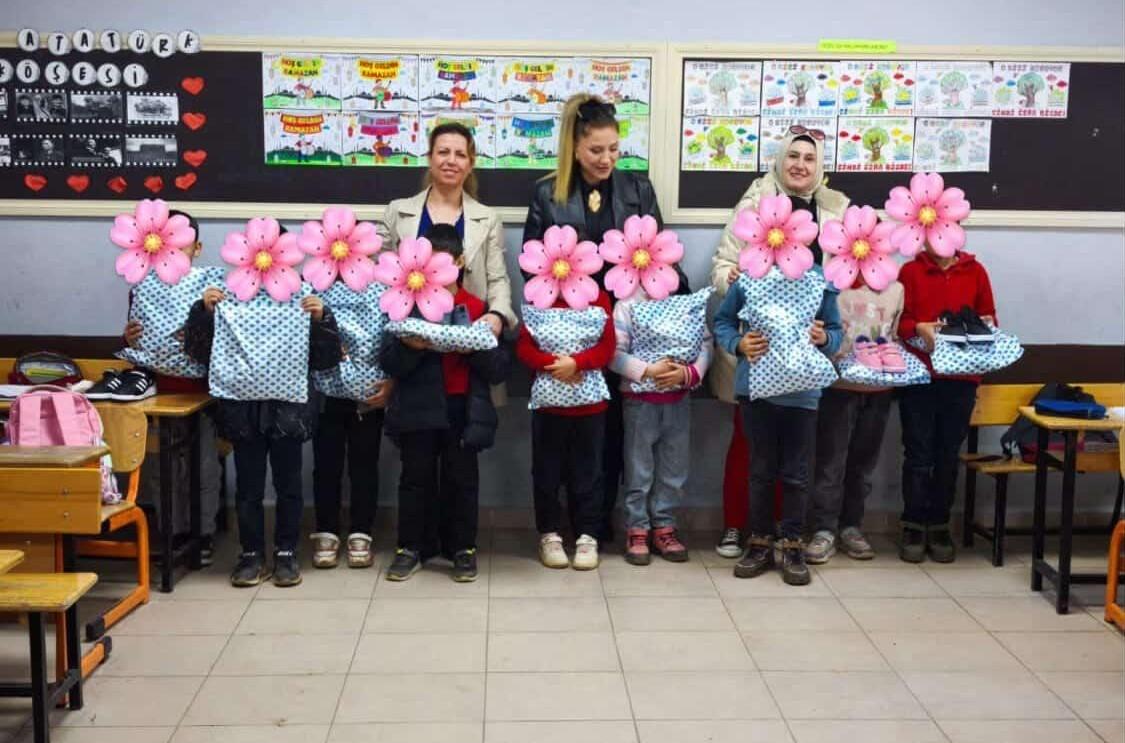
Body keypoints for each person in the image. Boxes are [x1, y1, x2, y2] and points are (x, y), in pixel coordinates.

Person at [523, 93, 685, 545]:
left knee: (621, 431)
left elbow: (659, 257)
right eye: (596, 150)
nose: (607, 159)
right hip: (572, 335)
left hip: (630, 333)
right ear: (574, 147)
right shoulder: (546, 192)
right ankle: (564, 526)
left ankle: (603, 524)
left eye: (614, 149)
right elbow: (530, 266)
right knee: (569, 436)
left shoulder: (638, 189)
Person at [709, 127, 849, 558]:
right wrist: (731, 278)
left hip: (807, 360)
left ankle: (787, 533)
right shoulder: (752, 206)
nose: (800, 164)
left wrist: (827, 337)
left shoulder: (836, 210)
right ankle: (742, 528)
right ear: (779, 159)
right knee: (750, 449)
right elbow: (722, 267)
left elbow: (843, 280)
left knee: (798, 455)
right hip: (759, 352)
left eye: (810, 158)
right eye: (793, 155)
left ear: (819, 166)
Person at [183, 244, 343, 588]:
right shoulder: (230, 295)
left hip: (289, 411)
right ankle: (251, 553)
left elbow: (326, 359)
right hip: (243, 411)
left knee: (288, 485)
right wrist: (205, 312)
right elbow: (198, 352)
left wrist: (321, 319)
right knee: (248, 487)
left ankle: (286, 552)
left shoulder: (303, 297)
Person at [379, 224, 509, 582]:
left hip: (464, 409)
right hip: (418, 408)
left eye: (443, 264)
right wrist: (410, 347)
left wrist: (475, 349)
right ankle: (411, 547)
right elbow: (388, 362)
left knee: (462, 479)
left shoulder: (480, 309)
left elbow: (499, 369)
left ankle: (462, 548)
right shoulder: (405, 304)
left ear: (461, 261)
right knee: (415, 478)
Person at [713, 255, 843, 586]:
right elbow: (724, 322)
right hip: (755, 391)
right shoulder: (749, 275)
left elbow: (836, 331)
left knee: (797, 473)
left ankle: (793, 544)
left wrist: (824, 339)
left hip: (802, 392)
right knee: (760, 470)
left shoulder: (818, 279)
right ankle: (759, 542)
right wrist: (739, 344)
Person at [122, 210, 222, 565]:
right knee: (162, 466)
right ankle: (172, 531)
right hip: (158, 393)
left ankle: (203, 533)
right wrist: (127, 337)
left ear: (197, 247)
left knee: (203, 465)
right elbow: (136, 336)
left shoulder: (210, 284)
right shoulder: (144, 284)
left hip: (201, 392)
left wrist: (205, 318)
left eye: (183, 244)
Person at [897, 238, 996, 564]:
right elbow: (899, 322)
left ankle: (939, 525)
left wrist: (975, 328)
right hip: (919, 377)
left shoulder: (976, 272)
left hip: (961, 380)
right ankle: (912, 525)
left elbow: (989, 319)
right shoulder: (910, 272)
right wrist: (919, 328)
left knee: (947, 454)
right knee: (917, 453)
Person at [380, 122, 515, 339]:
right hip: (409, 333)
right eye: (443, 152)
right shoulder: (397, 211)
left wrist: (498, 314)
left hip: (467, 331)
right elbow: (380, 273)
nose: (451, 161)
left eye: (460, 154)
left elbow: (497, 279)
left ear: (470, 164)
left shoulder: (488, 218)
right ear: (430, 159)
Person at [611, 282, 712, 565]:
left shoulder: (685, 302)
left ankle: (665, 525)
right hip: (639, 400)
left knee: (674, 467)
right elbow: (613, 353)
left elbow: (706, 343)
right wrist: (645, 371)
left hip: (679, 399)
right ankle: (637, 527)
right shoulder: (626, 304)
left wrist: (690, 373)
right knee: (638, 467)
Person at [805, 277, 904, 564]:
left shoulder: (895, 288)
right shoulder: (828, 285)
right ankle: (823, 529)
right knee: (830, 463)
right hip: (837, 389)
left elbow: (895, 339)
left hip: (879, 391)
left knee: (862, 464)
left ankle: (851, 526)